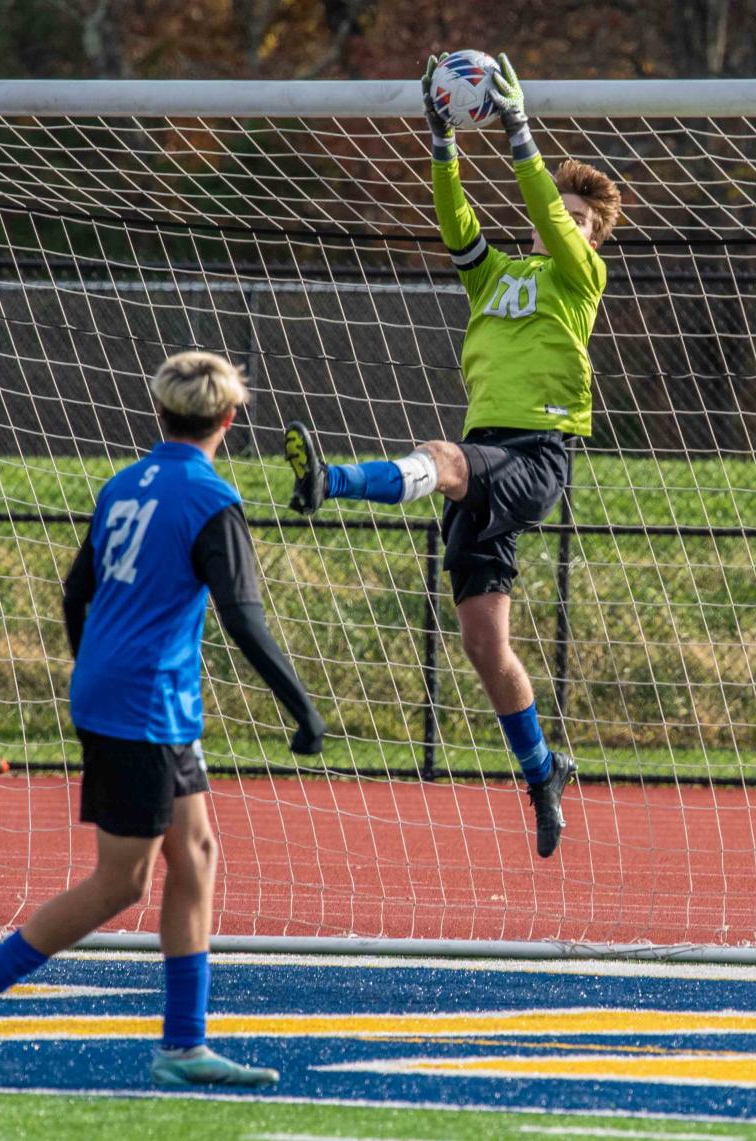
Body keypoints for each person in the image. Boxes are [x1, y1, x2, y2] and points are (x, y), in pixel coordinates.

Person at [0, 351, 326, 1088]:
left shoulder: (122, 486)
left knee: (196, 852)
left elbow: (76, 593)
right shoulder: (211, 498)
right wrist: (301, 705)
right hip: (143, 703)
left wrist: (97, 664)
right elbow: (242, 614)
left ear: (159, 413)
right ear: (228, 421)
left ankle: (182, 1045)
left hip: (139, 698)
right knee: (121, 881)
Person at [284, 53, 621, 859]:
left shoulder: (581, 274)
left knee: (443, 456)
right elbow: (459, 228)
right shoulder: (500, 277)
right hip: (487, 461)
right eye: (560, 213)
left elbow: (547, 209)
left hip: (535, 455)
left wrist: (518, 130)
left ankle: (329, 480)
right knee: (482, 642)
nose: (561, 221)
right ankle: (542, 769)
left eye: (575, 216)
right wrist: (443, 143)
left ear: (589, 233)